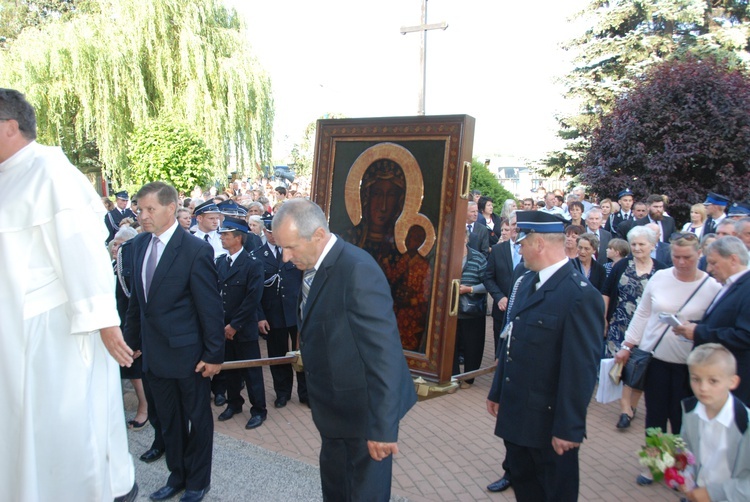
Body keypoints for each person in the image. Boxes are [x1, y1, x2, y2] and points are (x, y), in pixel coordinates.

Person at [0, 88, 136, 501]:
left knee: (56, 427)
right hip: (13, 330)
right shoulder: (9, 173)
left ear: (8, 128)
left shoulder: (50, 171)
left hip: (49, 333)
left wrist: (105, 320)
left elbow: (82, 250)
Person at [272, 198, 417, 500]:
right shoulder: (314, 263)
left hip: (364, 417)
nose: (285, 258)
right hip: (335, 414)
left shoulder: (357, 270)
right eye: (281, 248)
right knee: (338, 491)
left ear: (318, 236)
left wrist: (382, 428)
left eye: (291, 248)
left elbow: (385, 357)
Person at [486, 211, 604, 502]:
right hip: (517, 417)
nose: (519, 248)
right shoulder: (526, 283)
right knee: (526, 491)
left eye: (522, 242)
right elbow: (511, 342)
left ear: (538, 243)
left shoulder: (579, 296)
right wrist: (498, 390)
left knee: (554, 494)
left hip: (550, 426)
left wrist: (569, 428)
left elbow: (581, 370)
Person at [123, 181, 225, 502]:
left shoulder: (195, 250)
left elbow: (210, 309)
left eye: (150, 209)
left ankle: (197, 482)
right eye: (140, 209)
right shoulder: (138, 246)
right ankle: (177, 475)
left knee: (197, 420)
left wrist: (214, 356)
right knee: (169, 423)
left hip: (189, 357)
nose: (143, 215)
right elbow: (137, 305)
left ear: (171, 208)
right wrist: (130, 343)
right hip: (154, 357)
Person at [615, 234, 719, 464]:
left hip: (690, 366)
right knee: (655, 416)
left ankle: (680, 466)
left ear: (699, 254)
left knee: (682, 419)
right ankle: (654, 463)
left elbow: (715, 326)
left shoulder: (711, 287)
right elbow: (642, 312)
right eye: (676, 257)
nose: (681, 262)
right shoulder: (660, 277)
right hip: (657, 360)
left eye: (687, 257)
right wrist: (627, 344)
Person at [602, 226, 667, 429]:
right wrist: (604, 318)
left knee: (640, 367)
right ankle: (625, 406)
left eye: (642, 244)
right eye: (634, 244)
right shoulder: (621, 266)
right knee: (621, 366)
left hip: (648, 329)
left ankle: (629, 407)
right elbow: (606, 293)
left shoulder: (662, 270)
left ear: (652, 245)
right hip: (619, 324)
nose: (637, 248)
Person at [674, 236, 750, 406]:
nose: (709, 269)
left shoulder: (747, 287)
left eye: (714, 263)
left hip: (732, 384)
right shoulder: (730, 285)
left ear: (733, 259)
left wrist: (699, 332)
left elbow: (745, 336)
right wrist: (694, 326)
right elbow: (723, 322)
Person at [679, 344, 750, 502]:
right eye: (696, 379)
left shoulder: (745, 423)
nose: (703, 388)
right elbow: (687, 449)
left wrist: (712, 493)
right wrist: (686, 475)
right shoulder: (690, 412)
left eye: (713, 381)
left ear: (732, 382)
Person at [215, 217, 267, 429]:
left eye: (226, 235)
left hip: (242, 328)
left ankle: (259, 409)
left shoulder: (253, 264)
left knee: (252, 370)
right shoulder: (221, 262)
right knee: (230, 369)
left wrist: (234, 325)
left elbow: (252, 299)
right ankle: (234, 403)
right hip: (224, 327)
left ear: (238, 238)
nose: (222, 238)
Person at [255, 223, 308, 407]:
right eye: (270, 232)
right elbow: (255, 291)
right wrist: (260, 316)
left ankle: (305, 393)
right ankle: (282, 393)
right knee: (277, 355)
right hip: (272, 314)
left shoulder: (295, 251)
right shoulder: (257, 256)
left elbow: (305, 281)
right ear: (264, 232)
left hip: (295, 312)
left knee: (302, 353)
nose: (273, 235)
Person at [453, 228, 488, 389]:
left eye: (462, 237)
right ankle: (451, 377)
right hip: (451, 310)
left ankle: (468, 378)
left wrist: (470, 289)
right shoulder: (447, 256)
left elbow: (487, 283)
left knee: (472, 345)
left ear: (467, 239)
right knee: (450, 345)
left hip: (471, 309)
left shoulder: (478, 258)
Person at [484, 212, 522, 353]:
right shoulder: (498, 250)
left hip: (523, 309)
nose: (515, 229)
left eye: (518, 226)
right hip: (502, 309)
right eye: (513, 225)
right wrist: (499, 297)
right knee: (499, 352)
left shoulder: (531, 251)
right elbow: (488, 277)